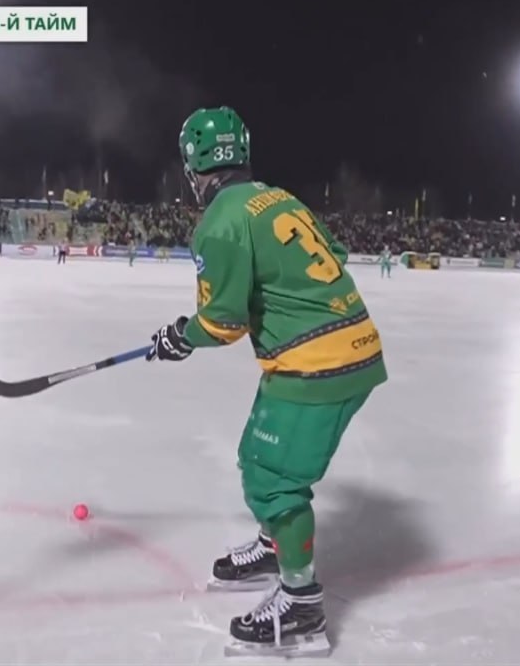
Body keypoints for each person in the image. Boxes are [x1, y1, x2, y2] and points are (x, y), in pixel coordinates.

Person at [146, 107, 387, 657]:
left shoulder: (219, 220)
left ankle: (302, 606)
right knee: (256, 456)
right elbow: (335, 255)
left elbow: (222, 323)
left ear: (194, 167)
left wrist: (179, 336)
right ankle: (275, 545)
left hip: (317, 360)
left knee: (273, 481)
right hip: (337, 347)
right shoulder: (278, 198)